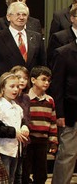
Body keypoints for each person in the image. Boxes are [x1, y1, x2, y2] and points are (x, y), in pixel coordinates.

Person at [0, 1, 45, 80]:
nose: (21, 17)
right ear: (8, 17)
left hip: (31, 87)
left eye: (24, 15)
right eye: (18, 14)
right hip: (6, 86)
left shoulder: (37, 37)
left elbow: (42, 65)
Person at [22, 66, 57, 184]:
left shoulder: (50, 100)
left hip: (42, 141)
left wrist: (53, 141)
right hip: (28, 140)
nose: (46, 83)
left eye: (48, 80)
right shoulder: (25, 98)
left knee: (41, 172)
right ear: (33, 80)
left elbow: (52, 122)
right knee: (25, 170)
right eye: (43, 79)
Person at [50, 39, 77, 184]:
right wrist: (59, 113)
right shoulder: (63, 53)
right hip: (71, 113)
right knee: (67, 154)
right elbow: (57, 85)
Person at [0, 73, 28, 183]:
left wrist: (24, 127)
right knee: (4, 179)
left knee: (12, 179)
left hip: (15, 150)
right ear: (2, 88)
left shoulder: (17, 107)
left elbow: (22, 121)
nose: (15, 89)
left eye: (17, 86)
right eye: (12, 86)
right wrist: (14, 133)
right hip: (3, 149)